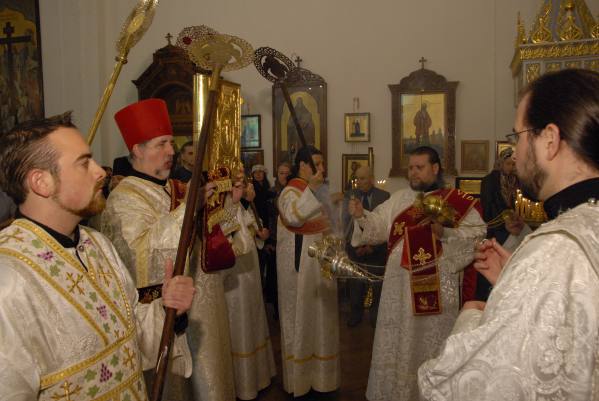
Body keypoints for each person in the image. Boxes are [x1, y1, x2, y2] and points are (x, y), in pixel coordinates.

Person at [418, 68, 599, 400]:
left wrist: (473, 315)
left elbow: (459, 386)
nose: (514, 153)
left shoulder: (556, 248)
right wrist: (513, 282)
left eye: (518, 136)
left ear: (550, 140)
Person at [0, 112, 195, 400]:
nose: (101, 172)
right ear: (41, 182)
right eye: (84, 163)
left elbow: (131, 334)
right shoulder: (8, 277)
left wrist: (168, 310)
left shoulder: (97, 245)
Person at [101, 99, 235, 401]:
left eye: (171, 143)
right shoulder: (123, 198)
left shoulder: (173, 187)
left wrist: (229, 201)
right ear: (137, 149)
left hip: (196, 307)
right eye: (161, 144)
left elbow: (210, 237)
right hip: (160, 319)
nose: (171, 151)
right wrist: (188, 210)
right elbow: (139, 255)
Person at [347, 146, 485, 401]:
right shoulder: (399, 198)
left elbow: (477, 236)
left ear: (435, 168)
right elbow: (378, 226)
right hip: (397, 293)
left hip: (438, 294)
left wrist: (444, 233)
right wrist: (361, 216)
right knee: (398, 342)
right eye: (410, 167)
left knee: (428, 347)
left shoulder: (455, 200)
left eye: (419, 167)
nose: (413, 172)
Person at [276, 146, 340, 397]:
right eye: (317, 163)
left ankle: (322, 379)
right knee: (300, 319)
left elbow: (328, 225)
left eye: (323, 163)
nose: (322, 168)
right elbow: (293, 217)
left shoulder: (316, 190)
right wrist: (312, 189)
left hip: (320, 266)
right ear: (303, 165)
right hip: (299, 270)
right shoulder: (289, 191)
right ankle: (300, 382)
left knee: (322, 320)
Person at [221, 174, 276, 400]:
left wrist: (261, 234)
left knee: (253, 315)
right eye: (236, 186)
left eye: (242, 186)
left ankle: (258, 375)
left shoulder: (241, 207)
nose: (241, 190)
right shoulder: (223, 211)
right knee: (240, 319)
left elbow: (251, 230)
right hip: (235, 277)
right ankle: (242, 382)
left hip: (250, 271)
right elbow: (230, 242)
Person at [475, 147, 529, 301]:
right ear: (500, 163)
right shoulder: (489, 180)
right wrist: (502, 219)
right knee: (492, 261)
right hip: (496, 227)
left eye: (513, 164)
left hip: (510, 226)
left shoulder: (514, 180)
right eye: (508, 164)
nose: (511, 167)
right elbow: (488, 205)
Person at [342, 165, 390, 327]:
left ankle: (376, 318)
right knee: (355, 285)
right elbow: (346, 222)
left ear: (371, 179)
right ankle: (355, 315)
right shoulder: (350, 195)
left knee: (377, 286)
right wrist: (355, 246)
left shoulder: (384, 196)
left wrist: (372, 246)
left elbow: (385, 225)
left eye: (362, 178)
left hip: (377, 251)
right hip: (355, 251)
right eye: (357, 178)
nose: (359, 182)